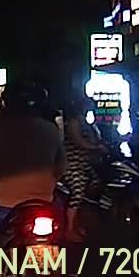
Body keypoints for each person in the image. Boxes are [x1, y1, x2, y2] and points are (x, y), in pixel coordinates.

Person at [0, 80, 66, 277]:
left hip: (4, 206)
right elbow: (62, 167)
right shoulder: (51, 129)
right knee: (62, 211)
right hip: (45, 203)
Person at [61, 100, 108, 241]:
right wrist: (96, 147)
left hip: (84, 163)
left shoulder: (85, 123)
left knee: (94, 185)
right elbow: (78, 141)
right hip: (72, 164)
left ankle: (77, 222)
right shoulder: (73, 122)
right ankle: (68, 229)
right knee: (78, 192)